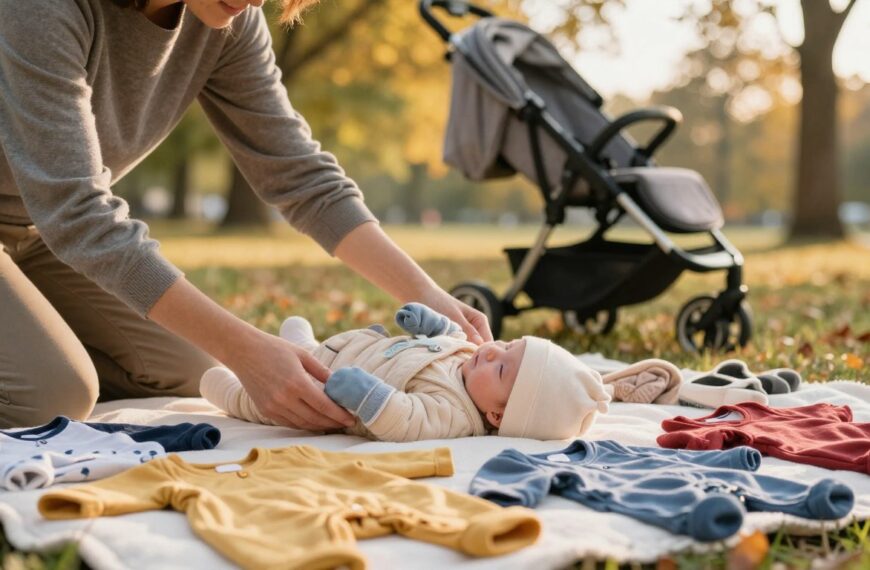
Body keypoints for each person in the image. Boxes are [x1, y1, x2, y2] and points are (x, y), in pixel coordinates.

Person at [0, 0, 491, 430]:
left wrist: (424, 293)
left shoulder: (227, 21)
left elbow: (301, 176)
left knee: (190, 372)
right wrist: (246, 350)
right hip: (61, 220)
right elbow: (78, 211)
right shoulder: (44, 8)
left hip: (38, 231)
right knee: (50, 397)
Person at [200, 303, 664, 442]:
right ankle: (299, 344)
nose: (492, 351)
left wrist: (368, 396)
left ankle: (219, 387)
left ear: (498, 416)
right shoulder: (470, 359)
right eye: (508, 345)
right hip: (345, 350)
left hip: (322, 390)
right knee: (300, 349)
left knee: (257, 401)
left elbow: (405, 419)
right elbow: (451, 336)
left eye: (503, 367)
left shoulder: (455, 414)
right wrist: (432, 324)